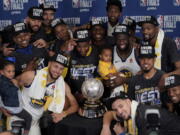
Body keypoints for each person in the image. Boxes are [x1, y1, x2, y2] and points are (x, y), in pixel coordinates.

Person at [7, 53, 78, 135]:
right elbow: (11, 84)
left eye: (61, 69)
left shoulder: (63, 85)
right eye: (56, 66)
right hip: (18, 117)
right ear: (49, 64)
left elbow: (75, 105)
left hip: (34, 123)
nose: (57, 71)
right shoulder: (31, 76)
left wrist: (63, 114)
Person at [101, 92, 180, 135]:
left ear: (128, 101)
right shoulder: (137, 109)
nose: (119, 112)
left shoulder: (143, 117)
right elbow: (109, 114)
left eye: (121, 106)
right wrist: (105, 127)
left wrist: (122, 134)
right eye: (116, 109)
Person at [104, 24, 140, 96]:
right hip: (116, 96)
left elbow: (146, 77)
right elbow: (104, 76)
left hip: (136, 94)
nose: (121, 42)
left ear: (129, 38)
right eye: (118, 39)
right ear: (114, 39)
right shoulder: (110, 52)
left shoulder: (137, 51)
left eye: (124, 39)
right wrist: (106, 82)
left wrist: (124, 80)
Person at [66, 29, 99, 104]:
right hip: (72, 93)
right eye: (79, 47)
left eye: (85, 46)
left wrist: (88, 94)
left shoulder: (96, 52)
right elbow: (63, 75)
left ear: (90, 42)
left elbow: (99, 76)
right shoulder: (70, 52)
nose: (82, 49)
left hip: (92, 94)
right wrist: (73, 93)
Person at [0, 60, 32, 135]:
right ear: (1, 72)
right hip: (13, 108)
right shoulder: (5, 83)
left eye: (13, 71)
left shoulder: (5, 79)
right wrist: (16, 86)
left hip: (7, 106)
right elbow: (10, 93)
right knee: (29, 118)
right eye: (9, 71)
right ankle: (26, 133)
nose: (12, 74)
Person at [128, 42, 164, 106]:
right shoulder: (133, 80)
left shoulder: (162, 76)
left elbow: (169, 105)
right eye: (142, 58)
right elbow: (131, 105)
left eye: (149, 58)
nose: (145, 62)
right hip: (140, 115)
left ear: (154, 59)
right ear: (139, 59)